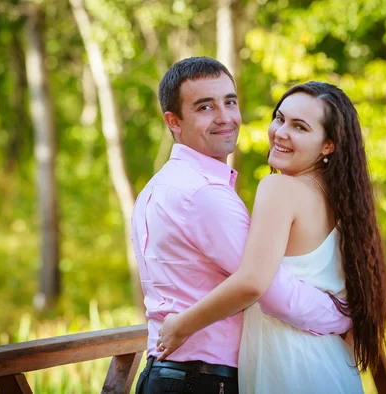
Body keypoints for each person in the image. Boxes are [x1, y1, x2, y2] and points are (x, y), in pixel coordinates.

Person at [131, 57, 352, 394]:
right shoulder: (206, 194)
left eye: (230, 102)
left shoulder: (158, 186)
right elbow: (267, 287)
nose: (225, 118)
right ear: (173, 121)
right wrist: (342, 317)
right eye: (205, 107)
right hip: (202, 379)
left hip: (172, 374)